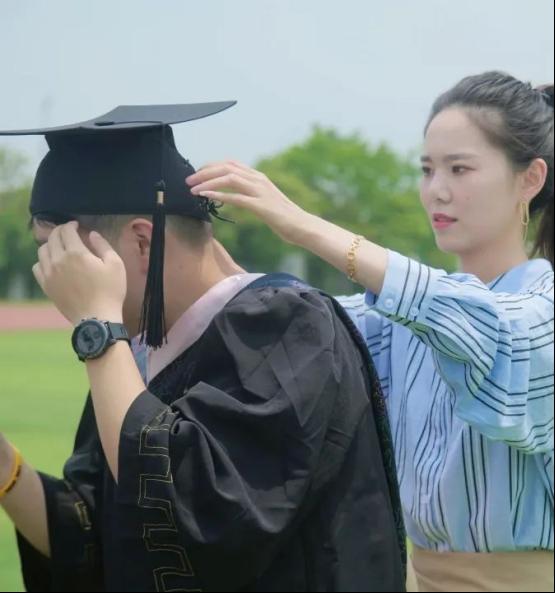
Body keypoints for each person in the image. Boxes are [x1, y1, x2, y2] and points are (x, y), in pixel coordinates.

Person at [0, 103, 406, 592]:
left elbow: (193, 524)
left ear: (142, 242)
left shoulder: (287, 329)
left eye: (59, 249)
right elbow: (100, 534)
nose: (49, 273)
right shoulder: (137, 352)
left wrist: (97, 330)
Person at [187, 71, 555, 592]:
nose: (437, 190)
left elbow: (488, 330)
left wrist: (304, 225)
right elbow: (294, 321)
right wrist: (183, 238)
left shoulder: (537, 311)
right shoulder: (398, 319)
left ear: (530, 179)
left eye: (460, 169)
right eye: (427, 170)